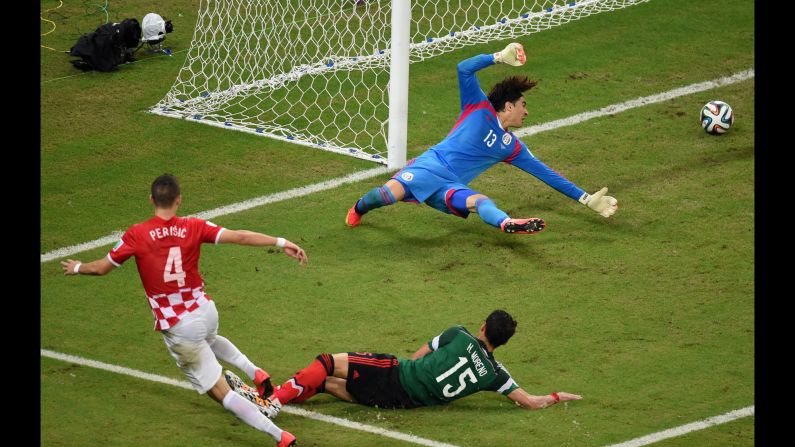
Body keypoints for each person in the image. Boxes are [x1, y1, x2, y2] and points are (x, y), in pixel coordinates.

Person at [60, 173, 306, 447]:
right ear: (179, 200)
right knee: (210, 339)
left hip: (179, 326)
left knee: (222, 394)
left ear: (151, 199)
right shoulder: (194, 226)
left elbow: (102, 268)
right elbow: (240, 237)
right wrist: (282, 242)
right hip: (205, 309)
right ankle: (256, 372)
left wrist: (78, 267)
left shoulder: (136, 234)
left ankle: (280, 437)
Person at [345, 42, 618, 234]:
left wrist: (585, 198)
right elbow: (464, 68)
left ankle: (507, 223)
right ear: (508, 106)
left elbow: (546, 173)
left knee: (481, 202)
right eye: (523, 105)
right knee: (387, 195)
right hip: (430, 166)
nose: (527, 111)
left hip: (451, 185)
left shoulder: (511, 147)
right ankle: (358, 209)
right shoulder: (477, 106)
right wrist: (497, 57)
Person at [225, 310, 581, 418]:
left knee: (327, 363)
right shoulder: (495, 374)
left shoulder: (460, 334)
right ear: (502, 341)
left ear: (483, 327)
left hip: (396, 375)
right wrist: (556, 396)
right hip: (400, 403)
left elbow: (419, 355)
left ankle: (273, 403)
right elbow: (530, 401)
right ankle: (270, 399)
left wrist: (404, 371)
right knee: (328, 385)